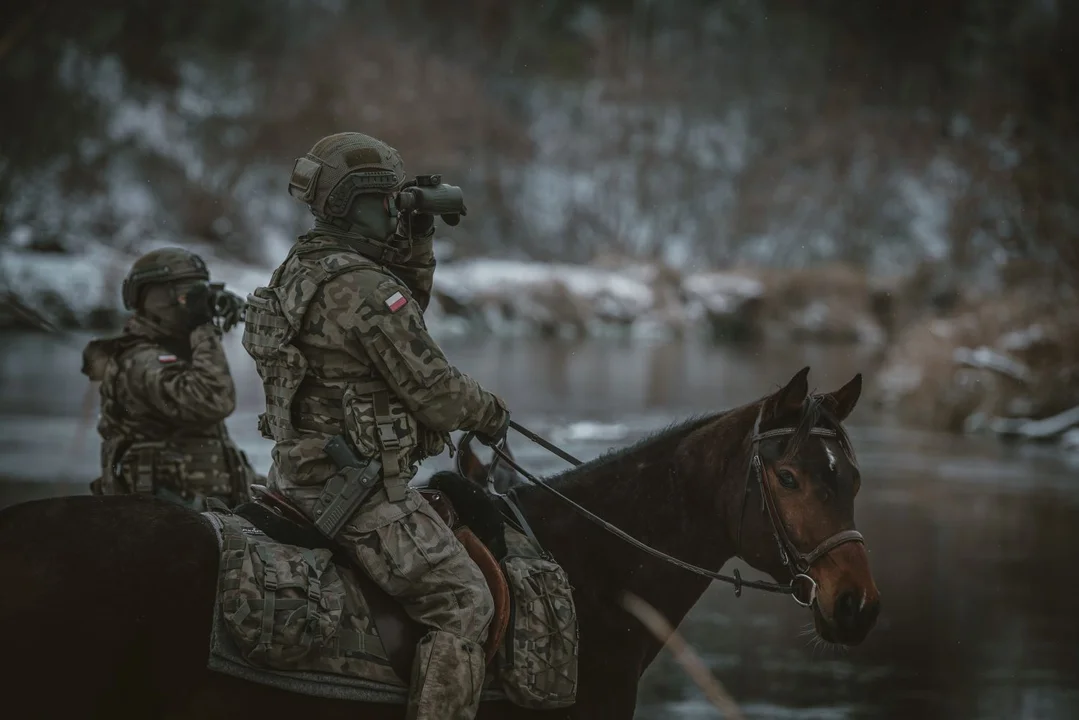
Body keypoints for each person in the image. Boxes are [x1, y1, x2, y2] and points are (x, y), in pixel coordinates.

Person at [241, 132, 510, 720]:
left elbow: (398, 311)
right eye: (389, 201)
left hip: (294, 475)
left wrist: (415, 242)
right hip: (358, 493)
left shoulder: (302, 269)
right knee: (464, 601)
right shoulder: (367, 288)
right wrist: (491, 413)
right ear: (361, 201)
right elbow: (436, 394)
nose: (396, 209)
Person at [82, 247, 256, 510]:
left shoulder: (179, 352)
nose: (194, 303)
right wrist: (203, 329)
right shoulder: (139, 360)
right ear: (152, 298)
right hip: (159, 522)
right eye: (186, 294)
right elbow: (213, 400)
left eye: (199, 291)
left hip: (201, 517)